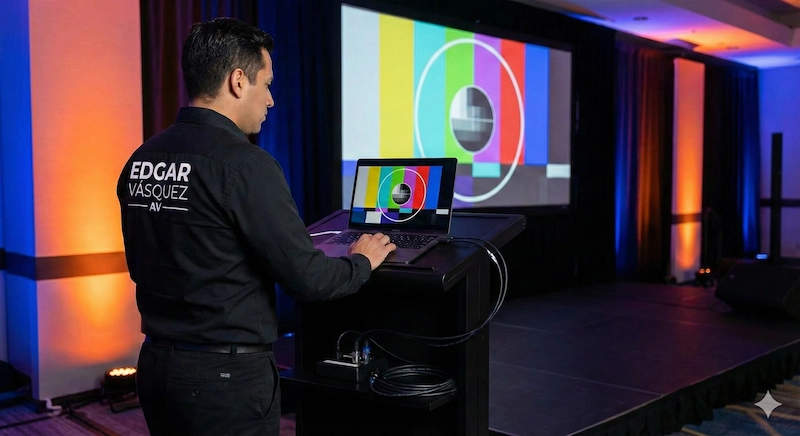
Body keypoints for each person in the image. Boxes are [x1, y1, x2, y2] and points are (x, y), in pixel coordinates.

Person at [116, 17, 396, 436]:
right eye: (266, 84)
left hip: (157, 368)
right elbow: (309, 279)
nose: (271, 100)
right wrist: (361, 262)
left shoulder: (141, 159)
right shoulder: (246, 165)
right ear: (237, 81)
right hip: (225, 380)